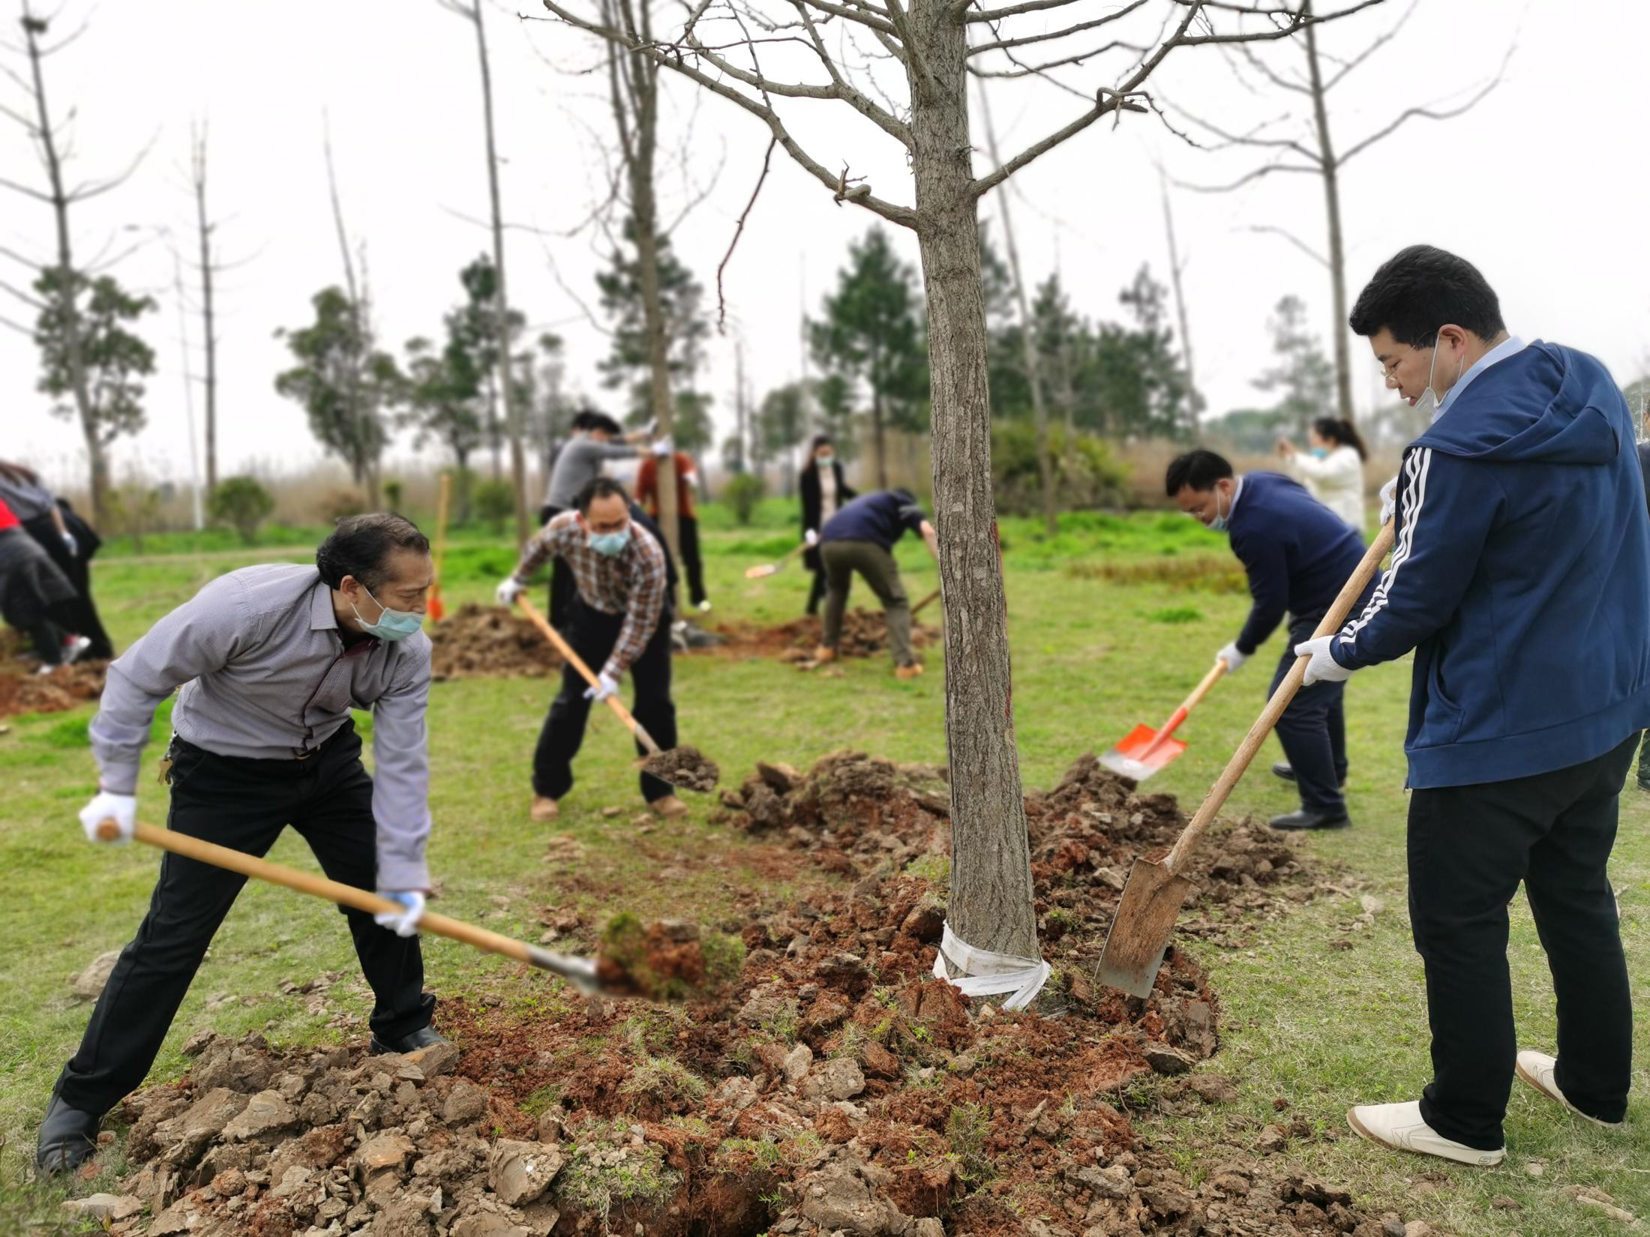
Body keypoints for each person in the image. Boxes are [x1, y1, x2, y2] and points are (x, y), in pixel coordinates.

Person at [1295, 245, 1650, 1166]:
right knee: (1576, 895)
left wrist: (1337, 651)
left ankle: (1462, 1118)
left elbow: (1412, 599)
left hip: (1497, 732)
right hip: (1606, 709)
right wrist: (1415, 501)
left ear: (1449, 339)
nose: (1395, 384)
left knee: (1456, 918)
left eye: (1396, 363)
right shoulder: (1589, 382)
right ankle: (1596, 1085)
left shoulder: (1450, 448)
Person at [36, 513, 446, 1175]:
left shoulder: (405, 649)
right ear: (351, 587)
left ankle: (402, 1022)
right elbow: (138, 675)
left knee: (380, 890)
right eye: (406, 596)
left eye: (424, 591)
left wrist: (402, 863)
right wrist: (116, 785)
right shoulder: (245, 607)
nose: (418, 610)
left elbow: (403, 763)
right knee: (174, 935)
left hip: (326, 761)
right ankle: (80, 1099)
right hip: (222, 771)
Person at [1167, 449, 1373, 831]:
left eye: (1199, 509)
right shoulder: (1263, 480)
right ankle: (1328, 771)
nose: (1200, 520)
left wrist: (1242, 648)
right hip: (1346, 584)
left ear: (1223, 486)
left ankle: (1325, 806)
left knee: (1291, 704)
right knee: (1319, 689)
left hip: (1342, 602)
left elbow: (1270, 603)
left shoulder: (1252, 528)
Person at [496, 477, 686, 822]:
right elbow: (538, 548)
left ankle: (661, 792)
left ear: (628, 512)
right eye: (603, 526)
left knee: (655, 704)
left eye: (620, 522)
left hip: (645, 623)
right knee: (571, 702)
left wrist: (612, 672)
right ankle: (547, 790)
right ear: (583, 520)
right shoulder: (564, 528)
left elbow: (640, 623)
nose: (614, 532)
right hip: (590, 618)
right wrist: (519, 578)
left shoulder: (647, 552)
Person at [540, 411, 667, 627]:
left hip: (564, 510)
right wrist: (654, 451)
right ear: (598, 433)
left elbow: (618, 440)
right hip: (560, 512)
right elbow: (616, 450)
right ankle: (561, 622)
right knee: (567, 570)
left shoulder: (586, 442)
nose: (608, 441)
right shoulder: (583, 446)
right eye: (606, 436)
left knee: (573, 568)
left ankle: (566, 619)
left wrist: (645, 433)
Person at [813, 488, 937, 679]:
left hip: (829, 541)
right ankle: (905, 665)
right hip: (864, 542)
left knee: (836, 591)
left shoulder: (872, 501)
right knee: (896, 601)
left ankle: (827, 649)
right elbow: (927, 530)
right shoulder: (904, 500)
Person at [0, 461, 113, 658]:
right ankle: (100, 649)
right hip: (64, 527)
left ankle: (75, 653)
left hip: (32, 535)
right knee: (75, 597)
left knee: (48, 601)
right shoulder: (19, 473)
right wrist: (63, 534)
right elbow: (51, 503)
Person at [0, 494, 91, 673]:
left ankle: (54, 661)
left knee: (22, 612)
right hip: (25, 548)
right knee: (26, 609)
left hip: (13, 554)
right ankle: (67, 641)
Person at [636, 448, 708, 612]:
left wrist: (691, 479)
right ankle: (666, 601)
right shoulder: (647, 465)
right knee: (659, 561)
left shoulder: (680, 459)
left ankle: (698, 599)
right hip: (657, 518)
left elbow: (690, 475)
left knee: (693, 560)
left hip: (684, 516)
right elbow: (640, 493)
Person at [1276, 418, 1368, 530]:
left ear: (1330, 439)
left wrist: (1295, 455)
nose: (1311, 442)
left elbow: (1323, 474)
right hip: (1328, 527)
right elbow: (1300, 479)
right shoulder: (1322, 459)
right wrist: (1288, 458)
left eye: (1313, 437)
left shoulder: (1348, 456)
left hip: (1346, 527)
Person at [799, 435, 855, 616]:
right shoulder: (806, 476)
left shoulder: (837, 469)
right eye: (822, 453)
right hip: (818, 528)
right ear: (814, 453)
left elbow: (842, 489)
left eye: (829, 453)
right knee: (823, 567)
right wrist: (809, 533)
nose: (826, 456)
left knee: (833, 566)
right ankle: (814, 607)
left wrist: (861, 499)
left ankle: (821, 605)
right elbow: (807, 507)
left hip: (837, 525)